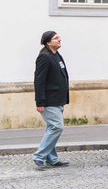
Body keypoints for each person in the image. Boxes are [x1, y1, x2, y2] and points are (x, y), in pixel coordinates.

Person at [32, 31, 70, 170]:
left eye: (59, 37)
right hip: (49, 100)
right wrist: (40, 102)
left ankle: (52, 159)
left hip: (58, 99)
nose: (59, 39)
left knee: (51, 128)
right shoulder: (44, 57)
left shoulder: (56, 55)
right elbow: (39, 80)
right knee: (56, 127)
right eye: (56, 38)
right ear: (48, 42)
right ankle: (39, 156)